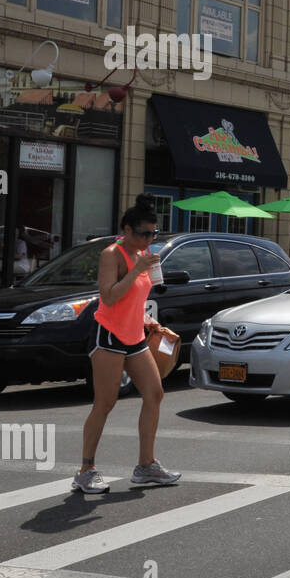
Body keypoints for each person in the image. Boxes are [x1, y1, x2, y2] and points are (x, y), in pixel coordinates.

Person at [73, 194, 180, 494]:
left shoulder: (142, 256)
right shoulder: (113, 254)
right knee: (105, 403)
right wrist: (136, 269)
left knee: (155, 393)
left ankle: (146, 466)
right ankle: (85, 469)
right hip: (108, 335)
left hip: (134, 334)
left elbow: (134, 297)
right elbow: (108, 297)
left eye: (153, 233)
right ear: (127, 230)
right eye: (144, 233)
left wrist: (146, 318)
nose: (149, 239)